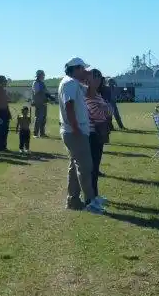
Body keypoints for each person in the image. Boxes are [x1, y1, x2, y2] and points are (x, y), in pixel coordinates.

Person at [59, 58, 101, 213]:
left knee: (75, 167)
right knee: (85, 167)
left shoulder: (74, 83)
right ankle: (90, 201)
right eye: (83, 69)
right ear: (75, 69)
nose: (85, 72)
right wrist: (76, 128)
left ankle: (73, 200)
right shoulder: (69, 83)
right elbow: (69, 105)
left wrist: (90, 80)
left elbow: (90, 93)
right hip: (74, 131)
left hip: (74, 131)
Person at [86, 69, 112, 200]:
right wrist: (106, 109)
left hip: (99, 133)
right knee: (93, 167)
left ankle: (95, 195)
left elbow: (108, 111)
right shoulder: (88, 95)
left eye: (99, 78)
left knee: (96, 167)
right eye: (95, 77)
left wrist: (106, 109)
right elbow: (98, 114)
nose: (98, 80)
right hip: (93, 134)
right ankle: (92, 196)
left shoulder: (96, 94)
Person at [31, 70, 51, 137]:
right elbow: (36, 92)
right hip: (39, 103)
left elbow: (45, 91)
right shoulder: (36, 83)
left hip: (44, 103)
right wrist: (45, 93)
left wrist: (49, 96)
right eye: (43, 75)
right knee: (38, 118)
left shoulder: (42, 83)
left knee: (43, 119)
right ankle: (35, 133)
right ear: (39, 75)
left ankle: (42, 133)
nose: (44, 76)